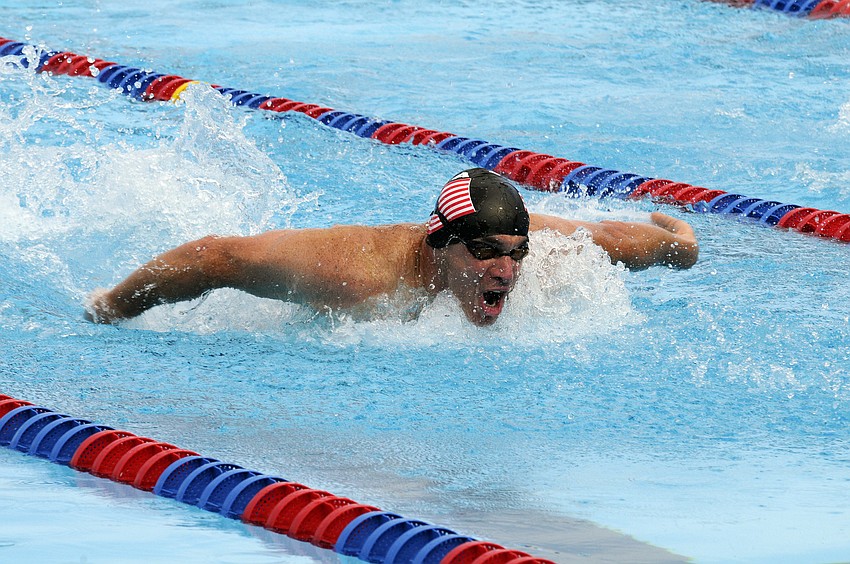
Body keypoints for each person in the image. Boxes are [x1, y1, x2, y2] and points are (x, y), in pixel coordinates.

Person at [86, 168, 698, 327]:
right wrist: (113, 306)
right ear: (441, 244)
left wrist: (682, 242)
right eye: (486, 251)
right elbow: (217, 256)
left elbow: (621, 241)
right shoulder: (359, 277)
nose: (506, 271)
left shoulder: (549, 255)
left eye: (518, 251)